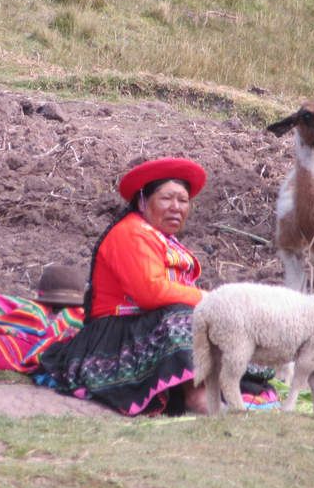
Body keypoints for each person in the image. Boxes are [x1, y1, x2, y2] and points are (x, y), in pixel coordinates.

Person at [37, 157, 213, 416]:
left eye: (183, 200)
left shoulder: (162, 237)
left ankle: (210, 390)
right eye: (166, 198)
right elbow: (150, 293)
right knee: (184, 317)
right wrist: (209, 298)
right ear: (143, 200)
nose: (176, 207)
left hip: (147, 326)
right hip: (116, 335)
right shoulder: (131, 233)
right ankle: (196, 397)